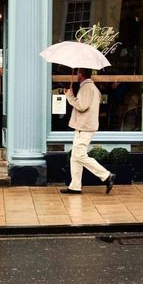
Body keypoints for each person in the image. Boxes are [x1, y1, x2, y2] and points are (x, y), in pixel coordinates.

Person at [61, 67, 116, 195]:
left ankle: (107, 175)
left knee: (79, 155)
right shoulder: (92, 88)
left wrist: (70, 97)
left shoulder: (86, 88)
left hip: (84, 127)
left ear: (81, 74)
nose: (77, 75)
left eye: (78, 73)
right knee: (75, 156)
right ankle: (75, 186)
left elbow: (81, 106)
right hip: (84, 126)